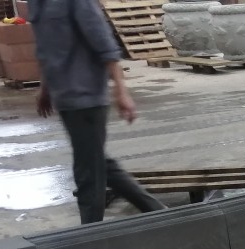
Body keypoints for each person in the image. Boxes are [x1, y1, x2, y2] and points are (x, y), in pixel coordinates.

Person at [31, 0, 165, 224]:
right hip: (64, 98)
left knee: (88, 175)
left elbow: (105, 45)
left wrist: (121, 92)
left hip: (87, 97)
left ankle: (90, 232)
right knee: (97, 163)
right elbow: (45, 49)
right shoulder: (36, 4)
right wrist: (45, 88)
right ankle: (159, 211)